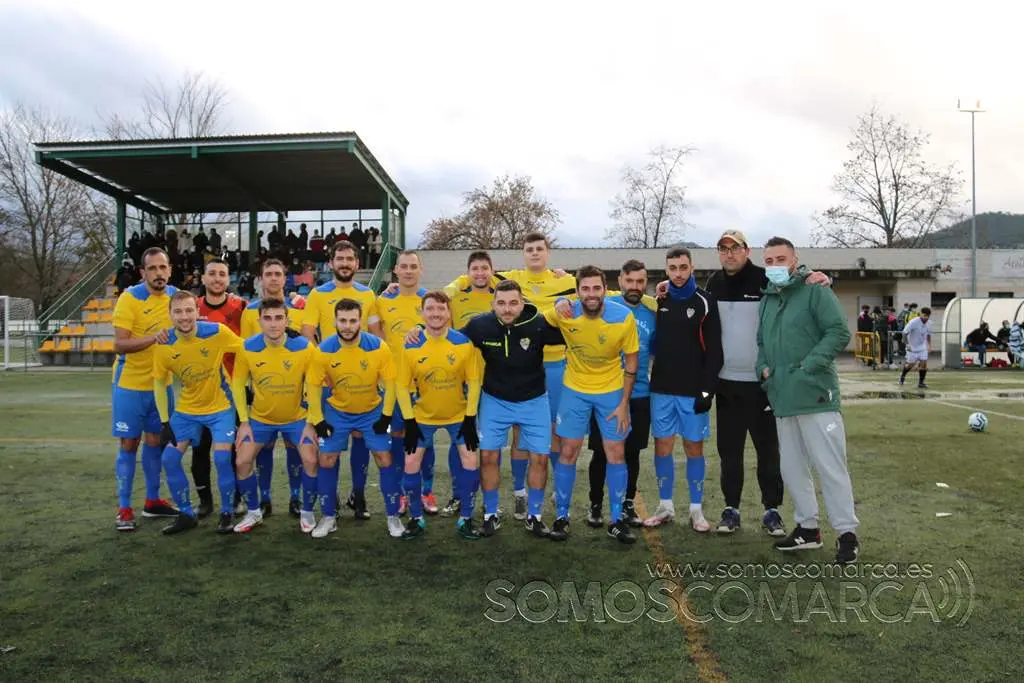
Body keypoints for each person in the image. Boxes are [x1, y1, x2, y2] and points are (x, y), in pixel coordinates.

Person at [756, 236, 859, 564]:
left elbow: (839, 332)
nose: (775, 265)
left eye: (780, 259)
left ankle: (846, 534)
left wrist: (808, 366)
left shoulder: (816, 289)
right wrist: (763, 370)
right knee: (792, 467)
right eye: (769, 260)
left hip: (815, 396)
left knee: (830, 468)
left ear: (795, 259)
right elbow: (762, 342)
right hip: (783, 398)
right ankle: (807, 529)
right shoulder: (768, 300)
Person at [542, 265, 640, 544]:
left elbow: (632, 361)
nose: (591, 294)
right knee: (568, 450)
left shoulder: (624, 317)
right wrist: (557, 302)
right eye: (585, 289)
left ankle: (617, 520)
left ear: (605, 290)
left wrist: (623, 403)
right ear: (577, 292)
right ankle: (562, 516)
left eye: (596, 288)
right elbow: (536, 319)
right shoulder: (566, 311)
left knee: (615, 452)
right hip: (574, 390)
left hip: (611, 391)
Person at [304, 299, 404, 539]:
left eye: (352, 320)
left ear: (360, 321)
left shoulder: (378, 347)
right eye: (342, 321)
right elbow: (314, 386)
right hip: (337, 411)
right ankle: (329, 517)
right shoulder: (324, 351)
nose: (347, 326)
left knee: (384, 458)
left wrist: (386, 414)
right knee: (326, 459)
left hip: (371, 411)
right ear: (335, 321)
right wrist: (318, 419)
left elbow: (391, 384)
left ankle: (393, 516)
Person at [302, 241, 382, 520]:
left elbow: (376, 335)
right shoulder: (317, 294)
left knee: (361, 437)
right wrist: (325, 371)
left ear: (357, 264)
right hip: (329, 382)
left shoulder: (367, 293)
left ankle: (358, 495)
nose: (345, 263)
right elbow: (307, 334)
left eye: (350, 258)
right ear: (332, 263)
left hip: (361, 381)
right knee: (330, 442)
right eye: (340, 259)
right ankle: (331, 495)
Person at [645, 248, 723, 534]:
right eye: (672, 268)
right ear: (666, 270)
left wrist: (707, 391)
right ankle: (665, 506)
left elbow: (715, 351)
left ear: (692, 267)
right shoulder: (659, 300)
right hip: (661, 389)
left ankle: (696, 510)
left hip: (692, 391)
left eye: (683, 267)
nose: (678, 273)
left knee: (693, 448)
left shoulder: (705, 301)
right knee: (662, 448)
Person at [153, 291, 244, 535]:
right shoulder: (163, 345)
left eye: (189, 310)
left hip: (220, 408)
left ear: (197, 312)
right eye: (178, 312)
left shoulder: (217, 332)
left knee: (223, 458)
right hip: (186, 411)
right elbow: (160, 384)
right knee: (170, 459)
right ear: (170, 315)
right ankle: (186, 514)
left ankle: (226, 513)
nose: (184, 317)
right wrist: (165, 422)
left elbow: (247, 349)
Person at [395, 290, 483, 540]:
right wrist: (410, 421)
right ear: (422, 313)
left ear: (448, 313)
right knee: (411, 463)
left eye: (441, 309)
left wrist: (469, 418)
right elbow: (402, 385)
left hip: (458, 416)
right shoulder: (410, 345)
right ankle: (415, 518)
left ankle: (466, 518)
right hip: (422, 417)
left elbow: (474, 382)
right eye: (430, 309)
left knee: (470, 460)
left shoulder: (463, 344)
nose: (436, 313)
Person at [230, 298, 317, 533]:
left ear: (287, 320)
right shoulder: (247, 347)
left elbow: (315, 384)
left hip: (297, 419)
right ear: (259, 321)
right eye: (267, 318)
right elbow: (237, 385)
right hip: (260, 420)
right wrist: (244, 422)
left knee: (310, 460)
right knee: (242, 461)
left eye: (279, 318)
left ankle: (307, 511)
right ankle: (253, 512)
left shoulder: (304, 347)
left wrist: (311, 421)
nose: (273, 324)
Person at [110, 247, 180, 531]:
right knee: (129, 443)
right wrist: (153, 338)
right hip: (130, 384)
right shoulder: (129, 298)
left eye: (162, 268)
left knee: (156, 442)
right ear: (143, 273)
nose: (158, 274)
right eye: (152, 269)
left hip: (161, 386)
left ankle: (152, 501)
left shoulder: (176, 297)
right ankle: (124, 508)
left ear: (170, 270)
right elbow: (119, 344)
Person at [582, 260, 653, 530]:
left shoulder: (651, 311)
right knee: (602, 452)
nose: (634, 286)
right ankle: (596, 505)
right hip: (606, 393)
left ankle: (627, 504)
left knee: (632, 453)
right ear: (620, 281)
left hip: (640, 394)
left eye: (640, 281)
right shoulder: (605, 307)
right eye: (630, 281)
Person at [377, 251, 435, 515]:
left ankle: (427, 492)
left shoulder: (431, 300)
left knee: (426, 437)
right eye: (404, 267)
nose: (409, 271)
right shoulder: (381, 301)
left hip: (425, 383)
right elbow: (377, 342)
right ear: (395, 271)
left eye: (414, 266)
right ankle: (402, 493)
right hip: (394, 384)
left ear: (421, 270)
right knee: (398, 437)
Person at [191, 259, 247, 518]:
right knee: (200, 447)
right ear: (203, 279)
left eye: (222, 274)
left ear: (228, 279)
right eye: (211, 274)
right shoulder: (192, 308)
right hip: (200, 392)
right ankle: (205, 500)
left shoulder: (240, 307)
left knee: (233, 447)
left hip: (232, 391)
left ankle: (236, 498)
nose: (217, 279)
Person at [900, 307, 932, 388]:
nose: (926, 317)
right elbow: (904, 333)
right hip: (912, 347)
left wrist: (929, 346)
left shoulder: (929, 323)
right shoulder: (913, 322)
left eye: (928, 316)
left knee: (924, 364)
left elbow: (928, 335)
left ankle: (921, 383)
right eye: (924, 315)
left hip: (922, 347)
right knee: (910, 365)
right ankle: (903, 375)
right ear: (920, 314)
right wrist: (907, 345)